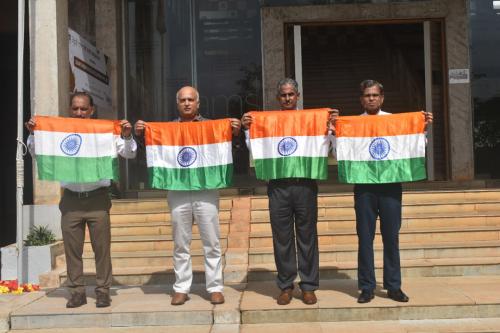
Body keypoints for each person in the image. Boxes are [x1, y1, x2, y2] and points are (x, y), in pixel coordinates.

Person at [25, 91, 137, 308]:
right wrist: (32, 134)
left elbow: (129, 153)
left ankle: (103, 291)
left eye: (83, 109)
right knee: (72, 249)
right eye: (75, 108)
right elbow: (36, 153)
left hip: (98, 200)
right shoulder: (58, 132)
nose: (79, 113)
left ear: (91, 110)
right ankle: (77, 292)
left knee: (102, 249)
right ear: (70, 109)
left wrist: (126, 135)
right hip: (71, 201)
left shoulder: (104, 131)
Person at [135, 86, 241, 306]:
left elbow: (232, 143)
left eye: (190, 99)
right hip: (178, 191)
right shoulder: (166, 129)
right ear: (177, 103)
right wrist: (141, 131)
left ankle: (215, 287)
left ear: (198, 103)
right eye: (182, 100)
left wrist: (235, 129)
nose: (186, 103)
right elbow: (152, 149)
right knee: (180, 243)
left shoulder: (212, 127)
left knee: (211, 242)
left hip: (206, 190)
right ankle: (181, 288)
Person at [241, 78, 337, 305]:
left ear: (298, 96)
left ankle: (309, 286)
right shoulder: (269, 121)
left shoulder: (312, 121)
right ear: (278, 98)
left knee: (307, 236)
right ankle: (285, 286)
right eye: (283, 95)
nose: (287, 98)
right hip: (278, 186)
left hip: (304, 184)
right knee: (282, 238)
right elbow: (254, 148)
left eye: (291, 94)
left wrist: (331, 126)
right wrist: (248, 130)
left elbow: (329, 145)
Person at [351, 80, 433, 303]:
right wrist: (333, 130)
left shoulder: (395, 122)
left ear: (382, 98)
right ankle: (367, 287)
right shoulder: (352, 125)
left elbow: (412, 145)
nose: (371, 98)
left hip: (390, 186)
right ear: (361, 99)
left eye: (375, 95)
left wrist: (421, 129)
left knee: (391, 237)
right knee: (365, 239)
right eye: (367, 95)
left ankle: (393, 286)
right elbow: (338, 151)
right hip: (364, 187)